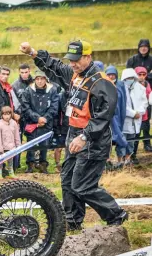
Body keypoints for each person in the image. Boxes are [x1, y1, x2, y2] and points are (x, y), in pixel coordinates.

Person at [20, 40, 128, 231]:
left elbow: (104, 117)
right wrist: (33, 53)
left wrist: (84, 137)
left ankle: (116, 215)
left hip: (93, 139)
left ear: (88, 57)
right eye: (71, 60)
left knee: (82, 185)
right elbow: (55, 66)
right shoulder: (75, 75)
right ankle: (72, 221)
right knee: (68, 180)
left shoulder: (102, 83)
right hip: (73, 133)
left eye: (77, 60)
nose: (72, 64)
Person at [20, 71, 59, 174]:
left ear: (45, 80)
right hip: (32, 122)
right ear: (34, 80)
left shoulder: (52, 90)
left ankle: (43, 164)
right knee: (31, 144)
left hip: (46, 123)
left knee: (44, 144)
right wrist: (37, 118)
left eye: (42, 79)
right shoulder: (28, 90)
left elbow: (54, 107)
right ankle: (30, 164)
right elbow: (25, 107)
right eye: (37, 79)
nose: (40, 81)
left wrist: (45, 118)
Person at [120, 68, 148, 167]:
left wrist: (139, 113)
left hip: (136, 120)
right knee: (122, 140)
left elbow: (144, 103)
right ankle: (121, 160)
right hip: (125, 119)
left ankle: (128, 158)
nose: (130, 79)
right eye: (128, 78)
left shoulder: (141, 88)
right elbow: (122, 105)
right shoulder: (120, 88)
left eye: (132, 77)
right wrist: (132, 113)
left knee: (131, 140)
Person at [105, 66, 128, 169]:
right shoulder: (103, 84)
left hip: (118, 117)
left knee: (119, 138)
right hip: (107, 117)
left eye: (113, 74)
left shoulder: (120, 85)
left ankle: (120, 161)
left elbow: (124, 101)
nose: (111, 76)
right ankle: (108, 161)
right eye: (109, 74)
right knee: (107, 138)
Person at [0, 106, 20, 179]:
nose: (7, 116)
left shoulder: (14, 123)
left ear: (11, 114)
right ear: (1, 115)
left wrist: (18, 145)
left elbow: (17, 135)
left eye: (8, 114)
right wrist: (0, 148)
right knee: (0, 161)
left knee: (10, 160)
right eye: (5, 114)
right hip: (2, 147)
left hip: (11, 146)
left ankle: (11, 172)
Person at [133, 66, 152, 159]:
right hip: (136, 113)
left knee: (146, 130)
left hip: (146, 112)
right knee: (136, 134)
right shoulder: (133, 85)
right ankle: (133, 155)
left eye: (144, 74)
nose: (141, 76)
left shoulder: (147, 84)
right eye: (139, 74)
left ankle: (147, 145)